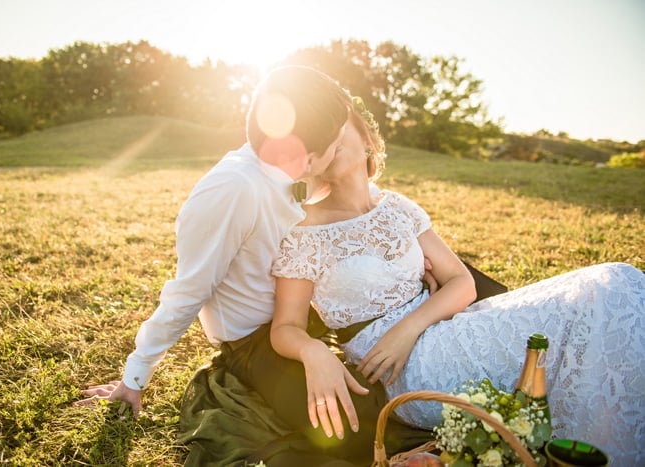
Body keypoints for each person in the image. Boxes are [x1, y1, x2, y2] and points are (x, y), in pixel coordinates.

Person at [76, 66, 437, 466]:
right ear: (309, 156)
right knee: (357, 427)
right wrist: (135, 377)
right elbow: (188, 291)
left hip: (312, 319)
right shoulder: (231, 190)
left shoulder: (297, 171)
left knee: (413, 390)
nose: (341, 148)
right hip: (258, 344)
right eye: (336, 143)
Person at [270, 97, 645, 466]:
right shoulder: (305, 231)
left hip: (441, 326)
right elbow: (286, 326)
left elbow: (461, 283)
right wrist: (313, 351)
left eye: (339, 129)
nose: (332, 141)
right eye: (321, 138)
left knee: (617, 285)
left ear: (366, 138)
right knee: (607, 290)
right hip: (407, 368)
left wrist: (409, 328)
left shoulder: (398, 207)